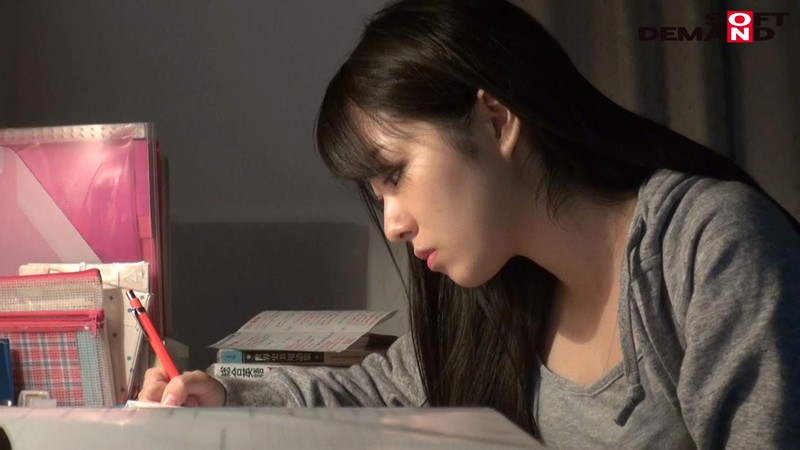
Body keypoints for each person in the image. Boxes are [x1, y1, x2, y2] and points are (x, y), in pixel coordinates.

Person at [139, 0, 800, 447]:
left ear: (495, 120)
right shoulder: (499, 295)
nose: (393, 224)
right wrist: (219, 394)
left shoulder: (709, 248)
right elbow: (369, 389)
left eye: (395, 174)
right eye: (377, 195)